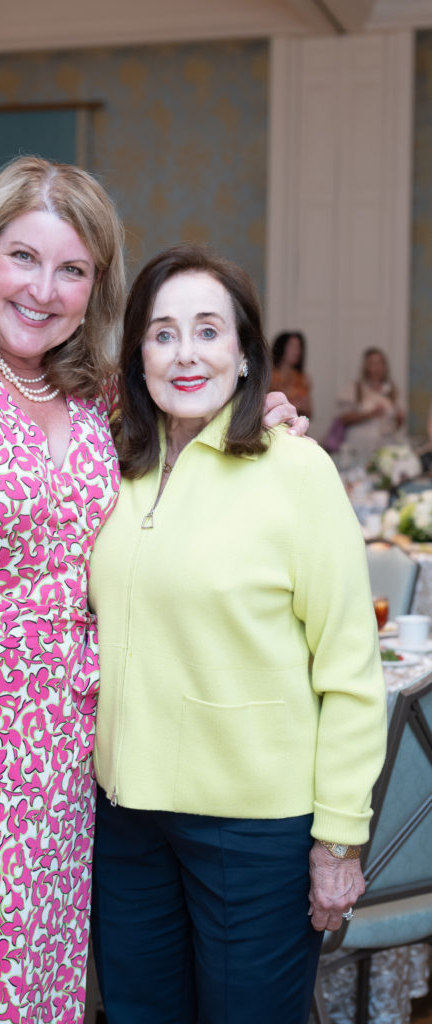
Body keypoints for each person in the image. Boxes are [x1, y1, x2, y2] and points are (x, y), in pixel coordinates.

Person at [0, 158, 307, 1024]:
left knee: (38, 985)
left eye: (71, 269)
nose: (43, 290)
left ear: (94, 288)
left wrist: (256, 413)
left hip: (58, 760)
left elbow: (181, 427)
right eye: (24, 258)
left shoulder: (90, 395)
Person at [88, 244, 387, 1024]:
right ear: (137, 357)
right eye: (161, 333)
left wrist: (338, 842)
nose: (185, 353)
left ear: (247, 353)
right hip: (125, 819)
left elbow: (350, 671)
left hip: (255, 831)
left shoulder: (297, 472)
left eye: (207, 330)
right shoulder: (111, 469)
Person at [337, 346, 405, 458]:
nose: (377, 367)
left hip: (385, 446)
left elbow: (397, 425)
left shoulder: (392, 390)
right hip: (359, 445)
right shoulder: (356, 388)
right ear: (366, 366)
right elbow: (344, 418)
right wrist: (370, 414)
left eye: (380, 363)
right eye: (373, 363)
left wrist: (399, 419)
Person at [271, 330, 312, 418]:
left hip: (296, 426)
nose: (297, 351)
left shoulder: (303, 378)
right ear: (282, 347)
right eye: (292, 346)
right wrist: (296, 405)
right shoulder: (269, 377)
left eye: (299, 347)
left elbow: (309, 411)